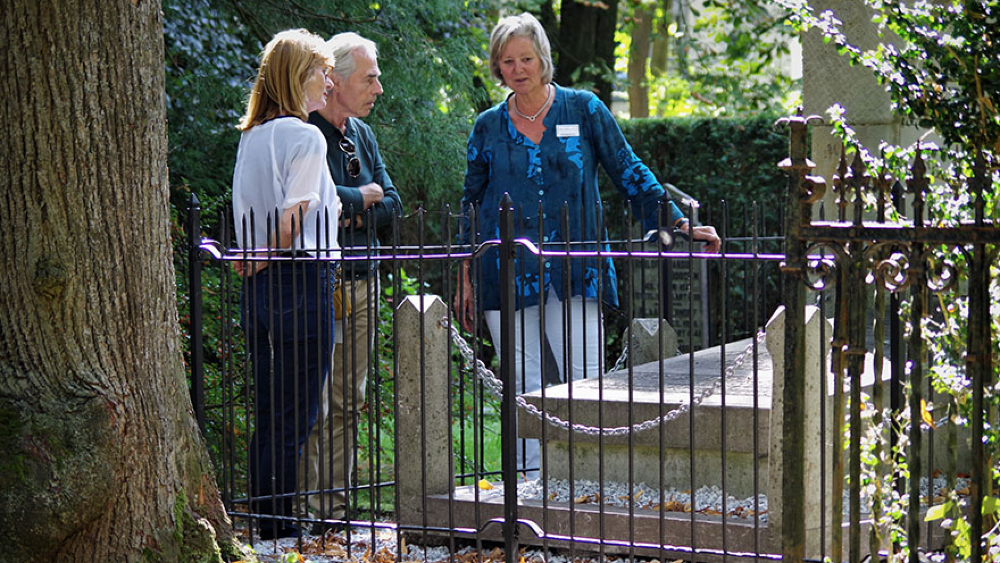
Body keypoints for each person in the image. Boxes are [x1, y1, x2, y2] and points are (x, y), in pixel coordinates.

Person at [455, 13, 721, 479]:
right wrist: (464, 271)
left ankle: (589, 479)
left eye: (527, 58)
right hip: (505, 271)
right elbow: (471, 203)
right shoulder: (486, 126)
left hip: (576, 269)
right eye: (508, 61)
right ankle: (532, 482)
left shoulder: (584, 109)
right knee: (524, 382)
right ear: (498, 67)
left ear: (543, 60)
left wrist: (676, 222)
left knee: (585, 378)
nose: (518, 68)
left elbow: (628, 170)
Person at [231, 28, 341, 539]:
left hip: (261, 290)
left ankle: (265, 521)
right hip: (300, 277)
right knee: (295, 415)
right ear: (298, 76)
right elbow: (293, 216)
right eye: (322, 70)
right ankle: (279, 534)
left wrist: (255, 259)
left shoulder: (251, 138)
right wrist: (266, 254)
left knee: (270, 412)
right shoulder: (306, 136)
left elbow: (252, 217)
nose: (330, 81)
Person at [295, 32, 401, 527]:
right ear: (333, 81)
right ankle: (302, 506)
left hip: (362, 280)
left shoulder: (362, 134)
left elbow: (395, 205)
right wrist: (363, 199)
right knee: (311, 395)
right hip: (316, 282)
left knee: (349, 399)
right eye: (371, 77)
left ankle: (334, 510)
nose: (378, 87)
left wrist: (351, 209)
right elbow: (314, 199)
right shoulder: (303, 131)